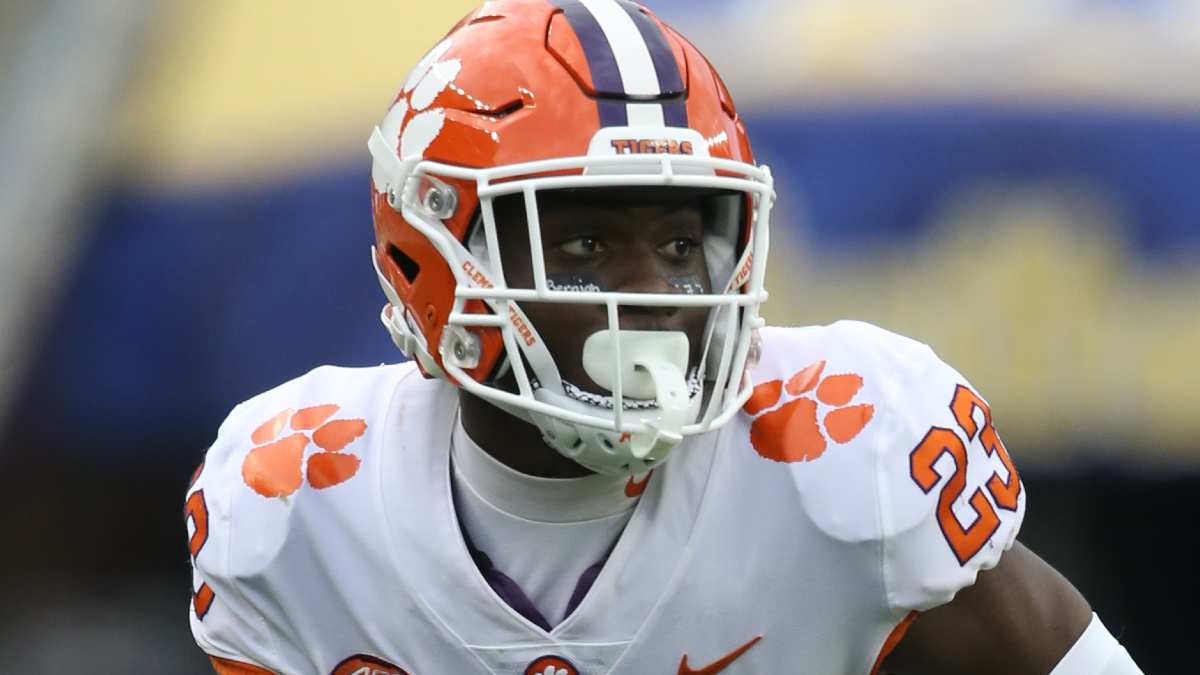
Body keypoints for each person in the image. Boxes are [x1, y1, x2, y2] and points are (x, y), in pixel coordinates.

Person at [184, 1, 1144, 674]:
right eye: (588, 245)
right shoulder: (293, 497)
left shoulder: (846, 451)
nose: (654, 295)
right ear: (433, 251)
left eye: (683, 243)